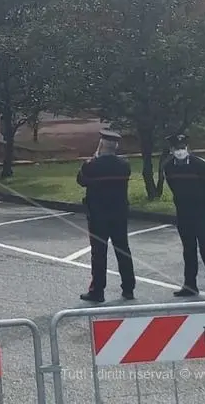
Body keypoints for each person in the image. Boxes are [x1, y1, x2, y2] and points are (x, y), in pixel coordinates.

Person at [162, 133, 205, 300]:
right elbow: (173, 186)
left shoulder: (200, 165)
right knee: (188, 250)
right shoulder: (169, 166)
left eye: (183, 148)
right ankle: (190, 285)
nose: (181, 151)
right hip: (183, 213)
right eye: (177, 148)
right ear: (171, 150)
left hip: (202, 213)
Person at [77, 130, 136, 303]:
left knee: (99, 253)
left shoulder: (91, 165)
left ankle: (97, 291)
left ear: (101, 145)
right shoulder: (124, 165)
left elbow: (81, 180)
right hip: (119, 214)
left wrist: (95, 158)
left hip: (98, 215)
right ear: (116, 146)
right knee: (123, 250)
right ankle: (128, 288)